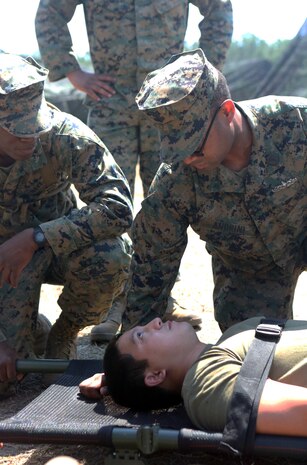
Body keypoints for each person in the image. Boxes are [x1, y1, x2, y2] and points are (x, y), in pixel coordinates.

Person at [35, 0, 233, 339]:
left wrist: (201, 72)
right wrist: (70, 69)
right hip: (111, 102)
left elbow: (219, 8)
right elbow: (50, 11)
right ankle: (114, 303)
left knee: (169, 199)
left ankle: (160, 298)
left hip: (171, 103)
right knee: (111, 201)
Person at [116, 47, 307, 333]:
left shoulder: (297, 124)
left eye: (193, 143)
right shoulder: (175, 178)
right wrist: (129, 358)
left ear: (227, 112)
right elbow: (151, 269)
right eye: (175, 146)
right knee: (251, 350)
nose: (187, 157)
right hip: (251, 269)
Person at [0, 51, 133, 398]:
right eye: (16, 128)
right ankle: (29, 329)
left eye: (34, 124)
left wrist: (37, 237)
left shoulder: (66, 135)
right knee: (5, 382)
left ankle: (64, 331)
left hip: (55, 250)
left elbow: (117, 207)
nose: (29, 137)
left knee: (111, 254)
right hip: (3, 269)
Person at [79, 316, 307, 438]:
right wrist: (123, 379)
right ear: (156, 375)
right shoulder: (205, 384)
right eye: (141, 335)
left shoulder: (224, 345)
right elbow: (299, 411)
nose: (156, 321)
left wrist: (117, 378)